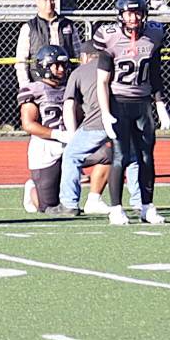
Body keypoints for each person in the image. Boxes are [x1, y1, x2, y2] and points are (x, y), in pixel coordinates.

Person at [95, 0, 170, 226]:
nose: (133, 18)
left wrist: (159, 104)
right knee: (120, 156)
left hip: (142, 104)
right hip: (119, 103)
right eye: (129, 13)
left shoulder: (153, 35)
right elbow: (102, 81)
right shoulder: (109, 38)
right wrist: (105, 112)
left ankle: (146, 206)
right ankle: (116, 208)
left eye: (137, 13)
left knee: (147, 157)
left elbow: (156, 74)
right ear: (120, 15)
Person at [18, 46, 82, 217]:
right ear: (45, 66)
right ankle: (32, 190)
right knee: (47, 207)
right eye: (56, 65)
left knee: (107, 155)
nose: (61, 70)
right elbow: (28, 124)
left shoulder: (72, 86)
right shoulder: (33, 89)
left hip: (72, 143)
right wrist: (58, 135)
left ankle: (95, 198)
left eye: (63, 65)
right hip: (45, 147)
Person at [57, 41, 118, 216]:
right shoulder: (115, 66)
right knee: (122, 157)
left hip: (96, 124)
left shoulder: (78, 72)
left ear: (84, 57)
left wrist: (72, 135)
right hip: (122, 121)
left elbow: (69, 106)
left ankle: (69, 203)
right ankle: (139, 202)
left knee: (71, 155)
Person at [14, 0, 81, 88]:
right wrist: (25, 86)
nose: (49, 4)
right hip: (39, 83)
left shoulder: (68, 25)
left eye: (52, 0)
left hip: (66, 83)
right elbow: (21, 61)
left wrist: (77, 83)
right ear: (37, 2)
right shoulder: (29, 28)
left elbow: (78, 56)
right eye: (45, 0)